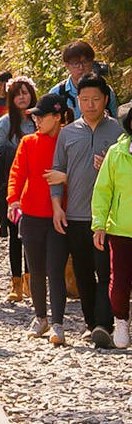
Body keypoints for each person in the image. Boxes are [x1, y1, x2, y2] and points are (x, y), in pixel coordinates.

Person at [46, 72, 122, 348]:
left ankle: (105, 323)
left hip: (108, 217)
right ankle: (92, 324)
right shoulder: (67, 133)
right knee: (83, 272)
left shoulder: (118, 132)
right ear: (78, 100)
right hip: (76, 215)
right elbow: (57, 172)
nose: (90, 105)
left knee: (106, 271)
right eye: (85, 99)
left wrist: (110, 168)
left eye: (96, 99)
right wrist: (57, 207)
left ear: (106, 100)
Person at [7, 94, 70, 344]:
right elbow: (17, 172)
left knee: (56, 269)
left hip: (59, 214)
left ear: (57, 117)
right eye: (35, 116)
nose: (36, 120)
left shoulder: (68, 141)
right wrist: (13, 199)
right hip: (32, 213)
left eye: (41, 116)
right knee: (35, 270)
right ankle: (40, 317)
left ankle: (58, 323)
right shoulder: (28, 142)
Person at [91, 108, 132, 349]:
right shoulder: (117, 153)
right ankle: (121, 323)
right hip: (121, 229)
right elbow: (103, 190)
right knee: (119, 282)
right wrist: (99, 225)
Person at [0, 76, 37, 300]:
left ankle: (31, 281)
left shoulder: (39, 119)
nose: (22, 97)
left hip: (36, 184)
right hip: (13, 183)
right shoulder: (5, 122)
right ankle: (16, 283)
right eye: (17, 94)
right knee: (14, 234)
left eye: (25, 93)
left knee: (32, 234)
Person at [49, 40, 117, 119]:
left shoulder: (105, 90)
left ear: (92, 62)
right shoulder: (57, 93)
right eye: (76, 63)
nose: (81, 67)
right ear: (67, 65)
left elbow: (115, 121)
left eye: (85, 62)